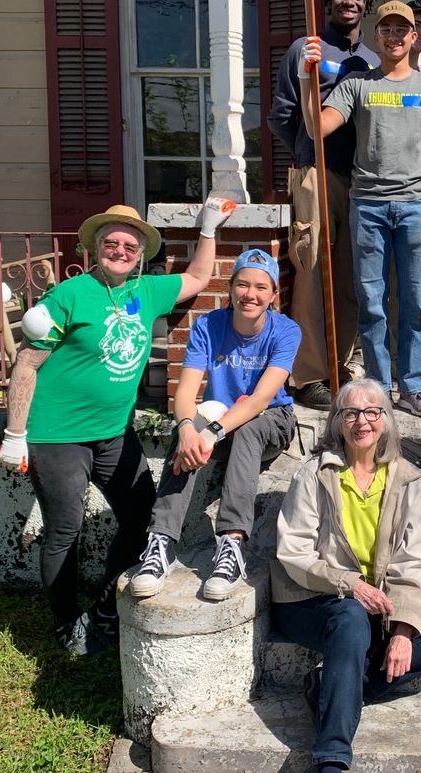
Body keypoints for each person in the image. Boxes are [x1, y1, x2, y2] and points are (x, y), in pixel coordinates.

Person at [0, 197, 235, 655]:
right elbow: (26, 364)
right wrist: (15, 434)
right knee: (65, 530)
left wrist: (207, 228)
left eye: (129, 244)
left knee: (144, 516)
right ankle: (67, 625)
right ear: (96, 248)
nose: (120, 250)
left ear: (140, 252)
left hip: (112, 435)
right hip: (56, 435)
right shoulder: (69, 295)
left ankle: (106, 608)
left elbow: (200, 279)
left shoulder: (146, 292)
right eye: (112, 242)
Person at [271, 379, 421, 773]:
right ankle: (332, 756)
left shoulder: (410, 482)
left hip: (376, 597)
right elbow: (293, 553)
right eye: (351, 413)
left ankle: (336, 687)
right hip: (310, 598)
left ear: (386, 420)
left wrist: (402, 631)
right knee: (348, 619)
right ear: (338, 422)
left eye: (372, 412)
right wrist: (349, 585)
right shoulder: (315, 474)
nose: (361, 421)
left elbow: (411, 563)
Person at [299, 0, 421, 418]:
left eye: (401, 29)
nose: (394, 36)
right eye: (386, 29)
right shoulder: (357, 84)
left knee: (416, 301)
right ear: (377, 36)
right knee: (372, 301)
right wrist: (305, 77)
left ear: (413, 36)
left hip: (417, 206)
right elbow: (317, 128)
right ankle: (380, 387)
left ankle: (414, 386)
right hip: (366, 205)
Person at [128, 249, 301, 602]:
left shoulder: (286, 330)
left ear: (272, 295)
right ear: (230, 288)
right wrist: (190, 428)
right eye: (242, 284)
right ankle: (161, 542)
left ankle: (231, 545)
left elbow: (258, 401)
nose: (249, 295)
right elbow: (186, 390)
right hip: (220, 416)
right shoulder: (208, 325)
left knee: (248, 428)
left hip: (272, 420)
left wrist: (211, 432)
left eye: (260, 287)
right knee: (184, 430)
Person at [268, 0, 380, 410]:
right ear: (327, 0)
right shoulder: (307, 49)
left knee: (353, 273)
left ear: (366, 4)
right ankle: (310, 373)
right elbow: (281, 115)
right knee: (313, 268)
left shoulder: (373, 59)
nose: (348, 2)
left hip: (363, 180)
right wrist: (303, 151)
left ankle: (339, 362)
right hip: (316, 173)